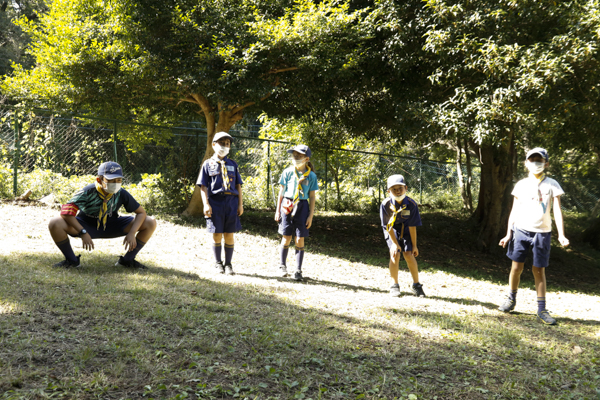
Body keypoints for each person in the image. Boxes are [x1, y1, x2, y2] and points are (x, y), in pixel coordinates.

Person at [498, 147, 569, 325]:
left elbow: (557, 210)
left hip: (543, 233)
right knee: (516, 268)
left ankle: (541, 309)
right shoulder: (521, 184)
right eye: (532, 160)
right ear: (526, 163)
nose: (536, 163)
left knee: (539, 270)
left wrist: (561, 234)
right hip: (521, 230)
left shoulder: (552, 184)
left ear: (546, 163)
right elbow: (513, 211)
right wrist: (508, 234)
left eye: (539, 160)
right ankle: (511, 299)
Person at [48, 161, 157, 269]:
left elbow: (141, 212)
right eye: (110, 180)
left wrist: (132, 233)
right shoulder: (87, 191)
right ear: (99, 180)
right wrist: (82, 232)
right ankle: (72, 261)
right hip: (86, 225)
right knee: (55, 223)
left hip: (112, 225)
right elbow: (66, 213)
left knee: (150, 222)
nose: (115, 183)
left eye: (118, 180)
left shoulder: (121, 193)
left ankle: (127, 260)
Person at [199, 131, 244, 275]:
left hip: (231, 203)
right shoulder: (207, 164)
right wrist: (206, 204)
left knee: (229, 234)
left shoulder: (233, 164)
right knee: (217, 234)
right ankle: (218, 263)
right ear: (213, 145)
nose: (225, 146)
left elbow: (238, 186)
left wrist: (240, 204)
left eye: (227, 144)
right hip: (215, 202)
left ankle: (228, 264)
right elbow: (203, 186)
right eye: (221, 143)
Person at [274, 145, 318, 281]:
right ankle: (282, 266)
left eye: (299, 157)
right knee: (286, 237)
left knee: (299, 239)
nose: (295, 159)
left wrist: (310, 215)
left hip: (302, 206)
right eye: (294, 156)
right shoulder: (287, 172)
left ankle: (298, 270)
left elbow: (311, 197)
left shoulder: (311, 176)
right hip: (287, 204)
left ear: (306, 159)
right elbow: (281, 192)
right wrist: (278, 210)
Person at [380, 174, 425, 297]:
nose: (398, 191)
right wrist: (394, 244)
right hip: (391, 229)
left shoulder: (411, 204)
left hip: (406, 229)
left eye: (400, 188)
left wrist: (414, 246)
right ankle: (394, 285)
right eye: (394, 189)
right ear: (389, 191)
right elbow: (388, 226)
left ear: (406, 188)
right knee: (395, 253)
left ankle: (416, 285)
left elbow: (412, 226)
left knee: (409, 255)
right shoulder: (385, 204)